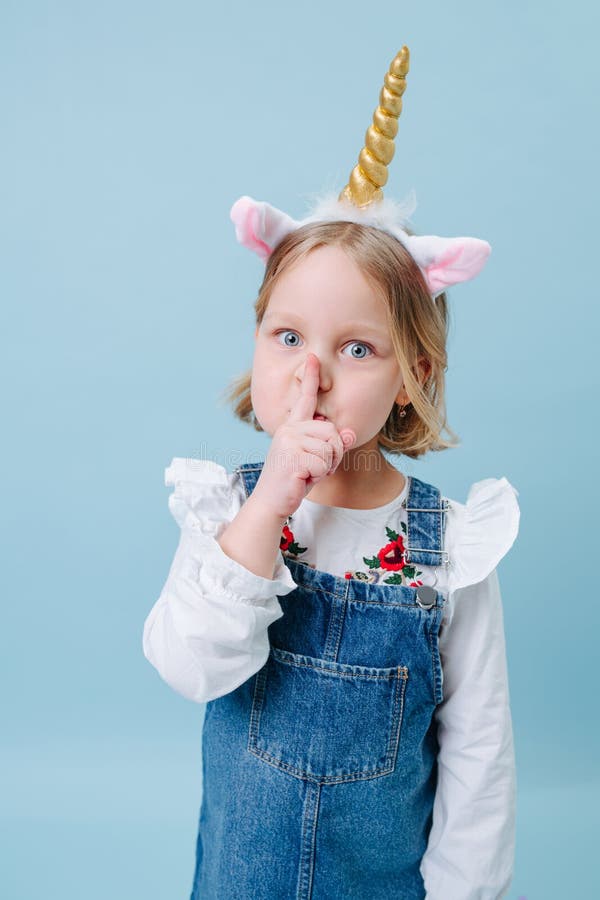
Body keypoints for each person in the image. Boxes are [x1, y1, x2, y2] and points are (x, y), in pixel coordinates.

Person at [142, 46, 520, 900]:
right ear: (256, 338)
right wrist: (273, 500)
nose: (310, 375)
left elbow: (479, 752)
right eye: (288, 338)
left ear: (413, 374)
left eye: (355, 348)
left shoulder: (452, 549)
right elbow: (189, 664)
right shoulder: (228, 511)